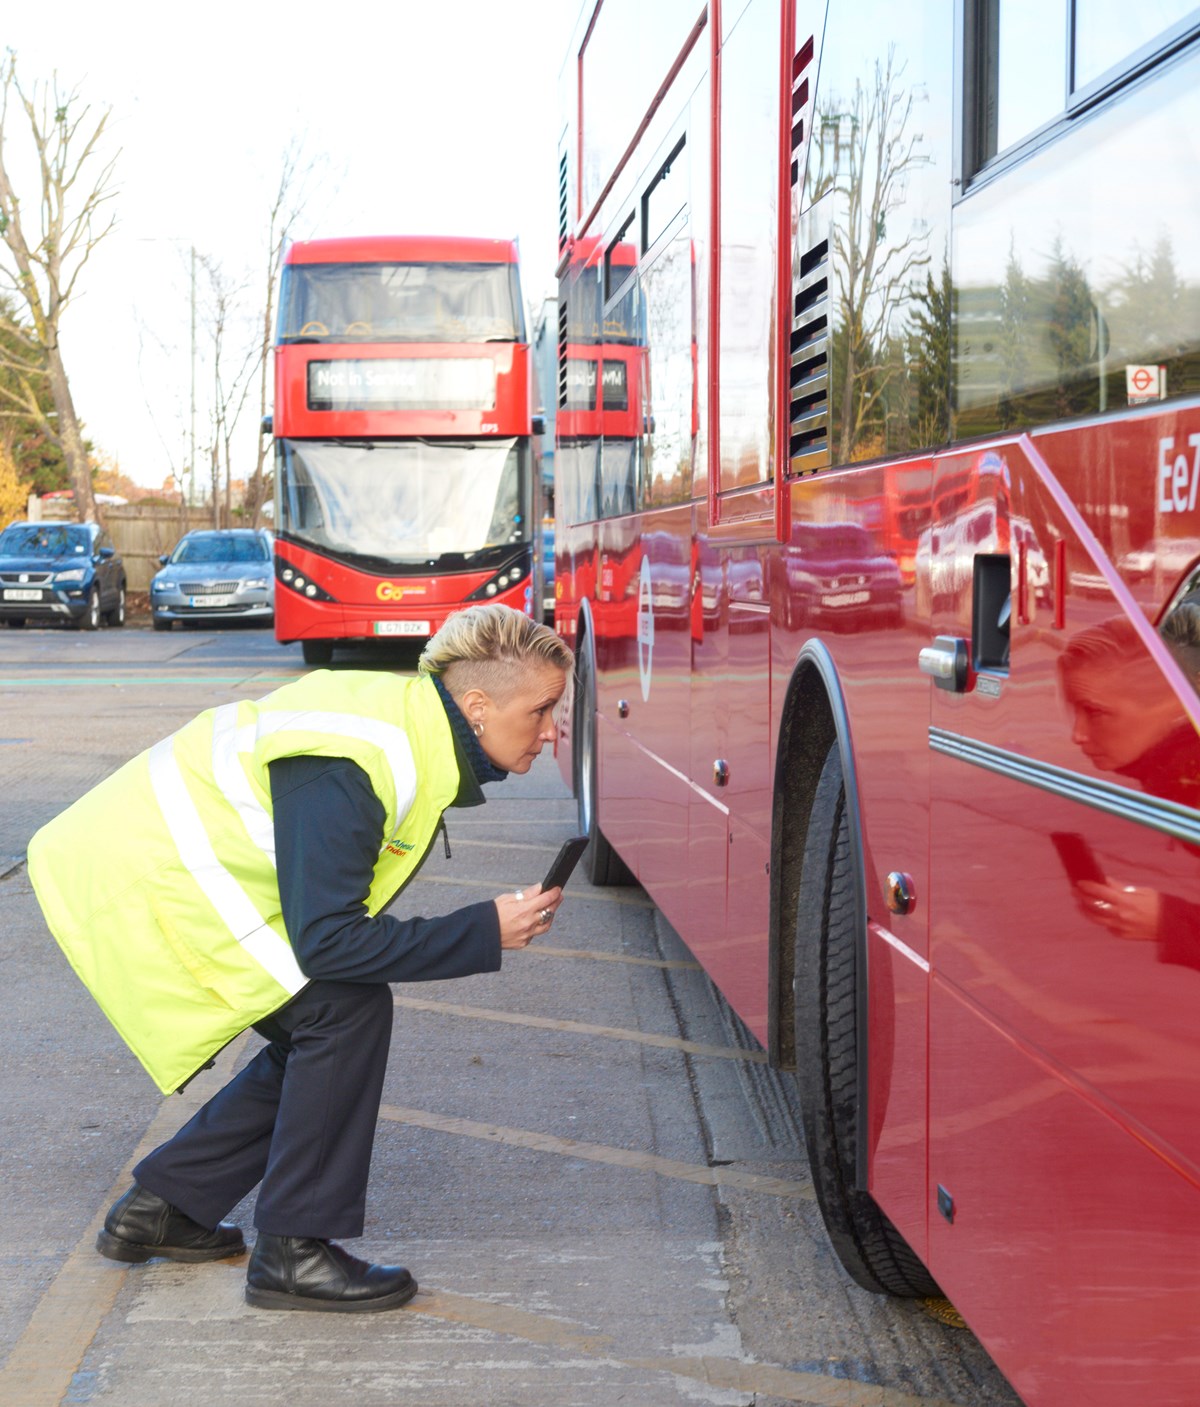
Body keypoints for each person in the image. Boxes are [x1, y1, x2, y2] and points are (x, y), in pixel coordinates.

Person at [28, 603, 574, 1313]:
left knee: (320, 1019)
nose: (552, 729)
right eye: (542, 709)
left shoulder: (409, 731)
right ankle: (295, 1249)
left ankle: (164, 1206)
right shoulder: (362, 759)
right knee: (343, 1009)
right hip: (145, 883)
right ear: (476, 705)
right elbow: (330, 942)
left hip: (152, 872)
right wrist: (482, 929)